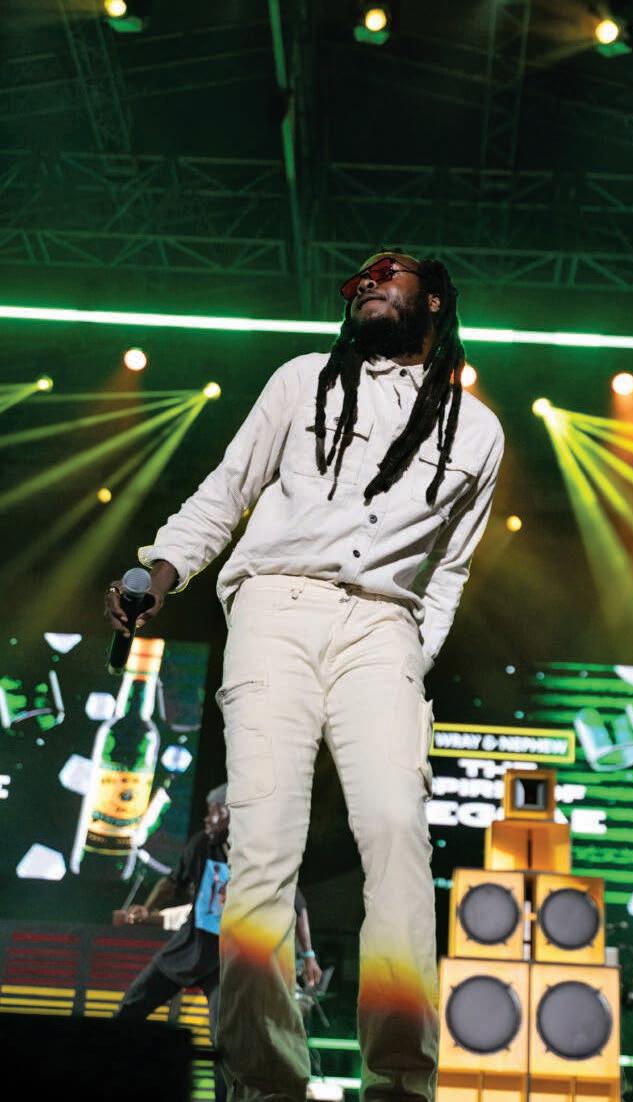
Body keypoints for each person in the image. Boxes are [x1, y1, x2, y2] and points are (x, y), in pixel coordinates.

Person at [105, 250, 504, 1102]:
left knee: (398, 835)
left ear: (434, 299)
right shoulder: (301, 381)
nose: (366, 284)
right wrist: (160, 574)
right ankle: (265, 1082)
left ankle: (401, 1081)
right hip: (275, 609)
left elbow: (451, 570)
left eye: (385, 273)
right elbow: (225, 491)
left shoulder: (476, 432)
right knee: (263, 847)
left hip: (384, 628)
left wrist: (409, 661)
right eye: (355, 282)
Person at [115, 784, 321, 1102]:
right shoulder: (202, 844)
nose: (207, 819)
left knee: (223, 1040)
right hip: (189, 947)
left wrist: (308, 955)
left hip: (225, 962)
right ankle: (105, 1073)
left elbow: (297, 903)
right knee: (131, 1006)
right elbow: (173, 881)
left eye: (214, 812)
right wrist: (148, 907)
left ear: (232, 814)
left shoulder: (258, 854)